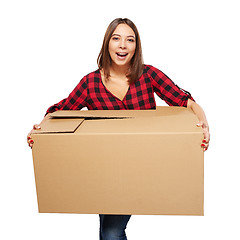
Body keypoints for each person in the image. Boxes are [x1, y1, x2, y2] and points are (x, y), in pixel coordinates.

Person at [27, 18, 210, 240]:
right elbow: (60, 110)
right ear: (107, 44)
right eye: (116, 38)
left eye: (129, 40)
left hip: (140, 166)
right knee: (107, 228)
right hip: (103, 170)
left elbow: (186, 101)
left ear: (136, 46)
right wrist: (39, 130)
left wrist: (204, 125)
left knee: (111, 231)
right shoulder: (90, 83)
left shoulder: (148, 75)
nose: (123, 45)